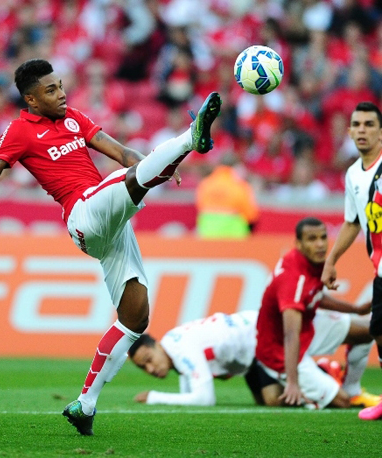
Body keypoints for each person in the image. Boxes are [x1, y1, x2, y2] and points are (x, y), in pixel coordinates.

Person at [0, 58, 222, 435]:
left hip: (111, 224)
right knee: (126, 181)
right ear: (31, 100)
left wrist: (157, 165)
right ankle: (189, 137)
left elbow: (124, 154)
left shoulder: (73, 117)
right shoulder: (19, 130)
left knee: (135, 319)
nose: (61, 93)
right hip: (83, 215)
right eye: (51, 90)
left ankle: (86, 403)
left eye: (61, 85)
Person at [128, 308, 378, 407]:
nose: (150, 368)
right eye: (144, 368)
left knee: (341, 400)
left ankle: (328, 373)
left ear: (157, 344)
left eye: (149, 358)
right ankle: (321, 373)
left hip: (268, 335)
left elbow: (204, 398)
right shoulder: (175, 347)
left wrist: (154, 397)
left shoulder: (180, 349)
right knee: (271, 401)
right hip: (252, 355)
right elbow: (192, 388)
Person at [252, 217, 371, 409]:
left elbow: (314, 297)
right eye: (312, 239)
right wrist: (293, 382)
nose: (320, 244)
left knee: (370, 329)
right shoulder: (294, 279)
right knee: (342, 403)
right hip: (280, 350)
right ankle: (323, 372)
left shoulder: (308, 262)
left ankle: (353, 389)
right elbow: (290, 335)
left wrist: (356, 309)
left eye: (323, 237)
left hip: (306, 329)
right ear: (298, 243)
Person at [322, 101, 382, 420]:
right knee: (379, 329)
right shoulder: (353, 175)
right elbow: (352, 222)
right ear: (349, 131)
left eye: (369, 125)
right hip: (380, 266)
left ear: (381, 132)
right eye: (356, 125)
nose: (362, 130)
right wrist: (332, 260)